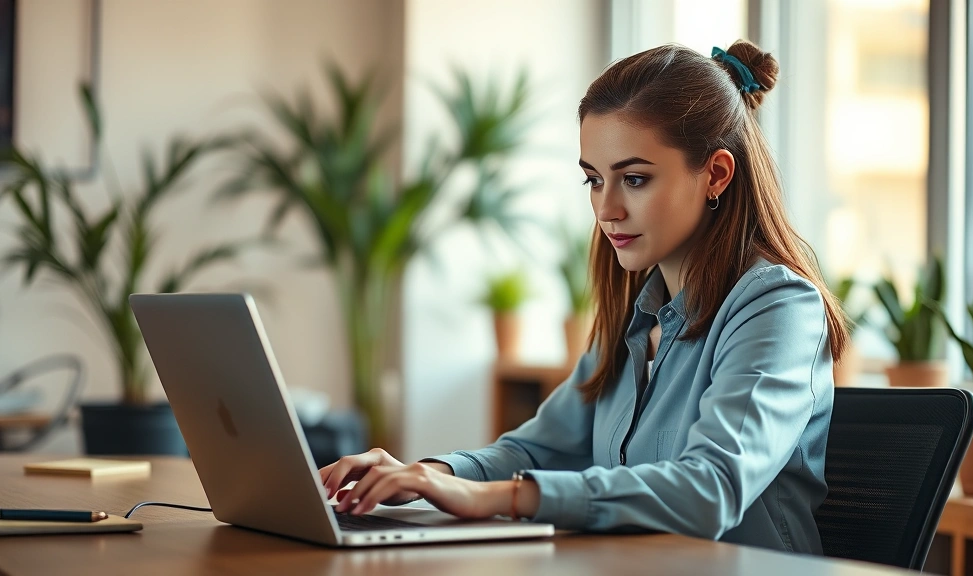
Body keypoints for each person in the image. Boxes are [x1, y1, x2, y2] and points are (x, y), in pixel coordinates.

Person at [319, 40, 849, 555]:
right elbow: (537, 448)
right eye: (594, 180)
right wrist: (430, 475)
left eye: (635, 179)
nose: (606, 208)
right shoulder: (634, 317)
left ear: (715, 174)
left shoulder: (778, 308)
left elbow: (708, 489)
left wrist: (494, 497)